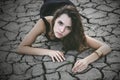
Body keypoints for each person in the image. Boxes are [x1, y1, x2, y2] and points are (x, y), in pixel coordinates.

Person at [17, 5, 111, 73]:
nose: (61, 30)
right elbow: (21, 48)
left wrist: (86, 60)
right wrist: (49, 52)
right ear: (55, 19)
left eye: (68, 27)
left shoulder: (75, 33)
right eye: (60, 23)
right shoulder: (43, 23)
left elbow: (106, 47)